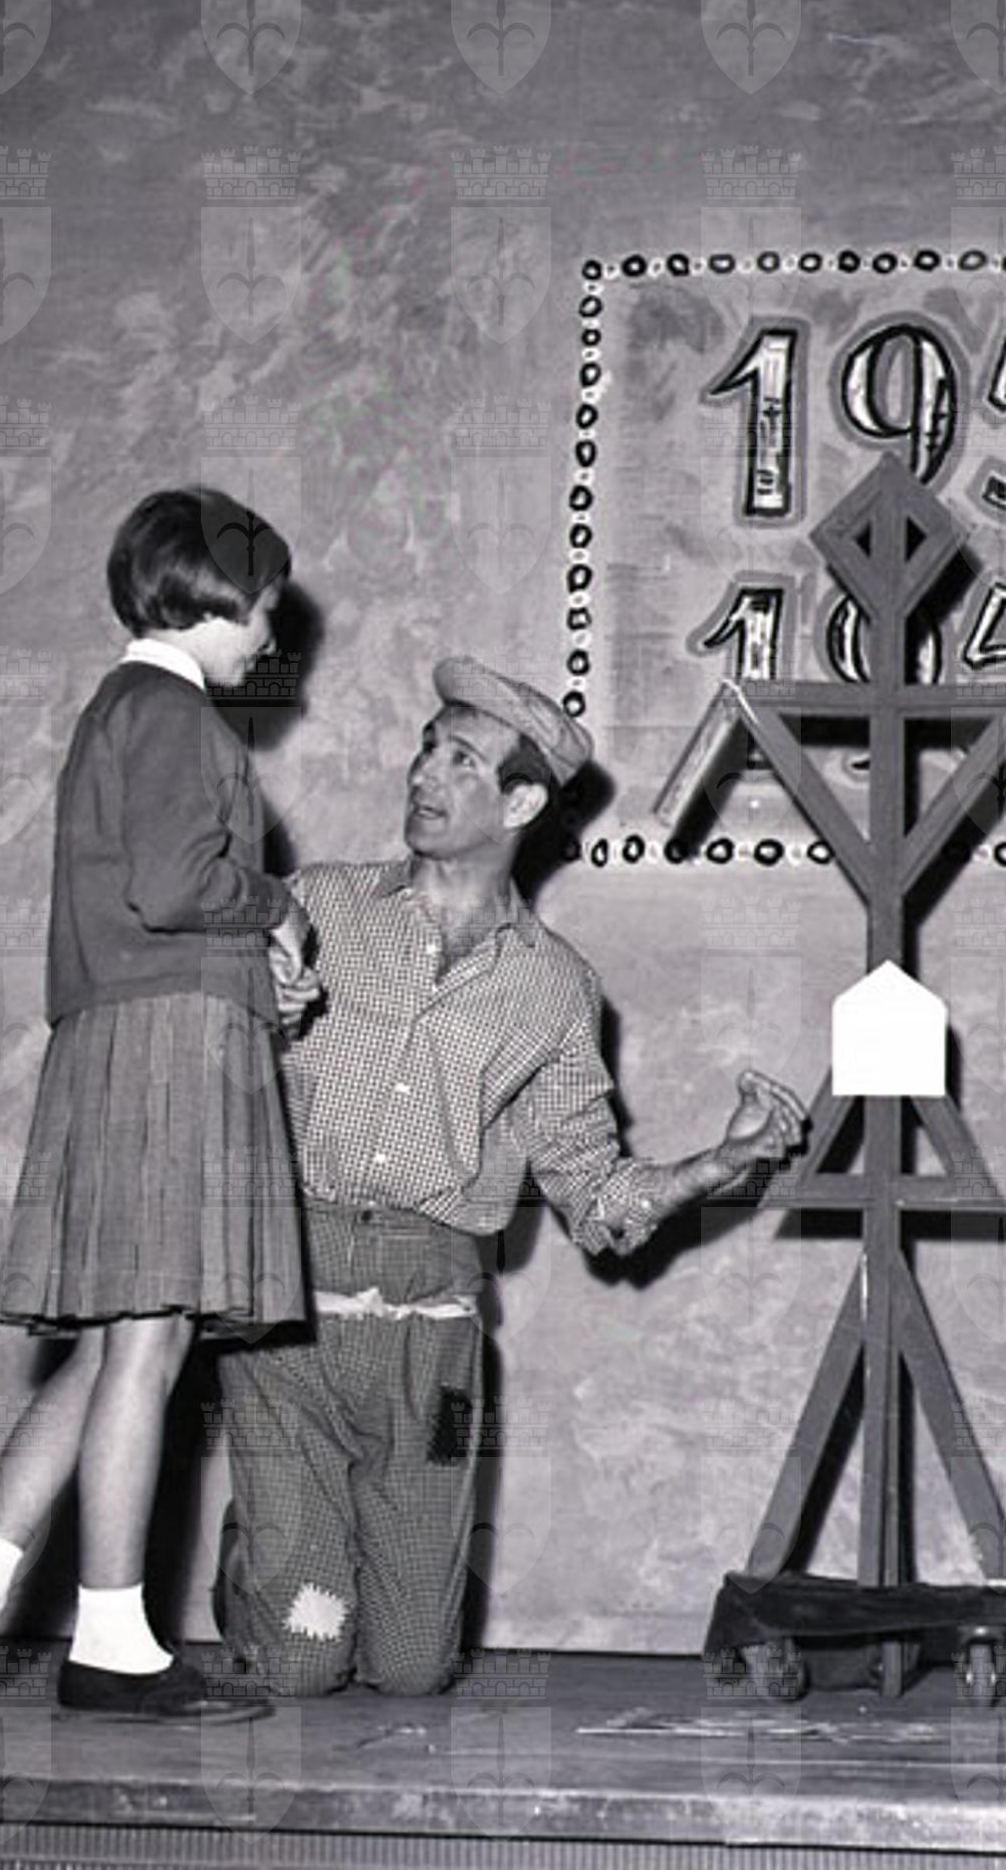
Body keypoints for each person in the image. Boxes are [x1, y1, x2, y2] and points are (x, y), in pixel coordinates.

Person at [216, 655, 806, 1698]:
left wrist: (719, 1162)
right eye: (426, 748)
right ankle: (268, 1557)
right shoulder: (314, 906)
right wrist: (246, 1000)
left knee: (412, 1667)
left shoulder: (555, 987)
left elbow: (594, 1195)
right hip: (285, 1324)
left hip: (433, 1350)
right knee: (305, 1654)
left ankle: (299, 1554)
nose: (424, 774)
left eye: (461, 761)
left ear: (522, 803)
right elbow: (211, 1061)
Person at [0, 488, 314, 1723]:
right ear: (211, 598)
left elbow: (140, 905)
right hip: (170, 1052)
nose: (269, 636)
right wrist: (279, 906)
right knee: (151, 1343)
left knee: (105, 1347)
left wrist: (262, 974)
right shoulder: (178, 717)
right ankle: (115, 1642)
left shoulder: (116, 710)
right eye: (262, 610)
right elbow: (179, 886)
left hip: (121, 1038)